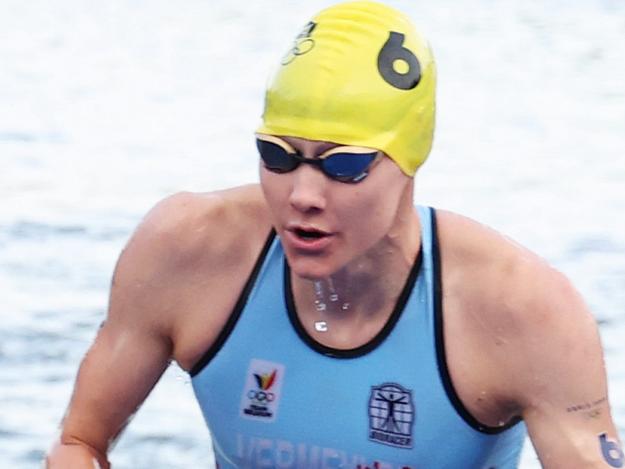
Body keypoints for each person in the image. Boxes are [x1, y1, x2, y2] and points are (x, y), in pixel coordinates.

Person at [47, 1, 622, 468]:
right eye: (278, 156)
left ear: (410, 159)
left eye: (343, 166)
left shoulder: (522, 309)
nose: (302, 195)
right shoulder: (189, 250)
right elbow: (78, 445)